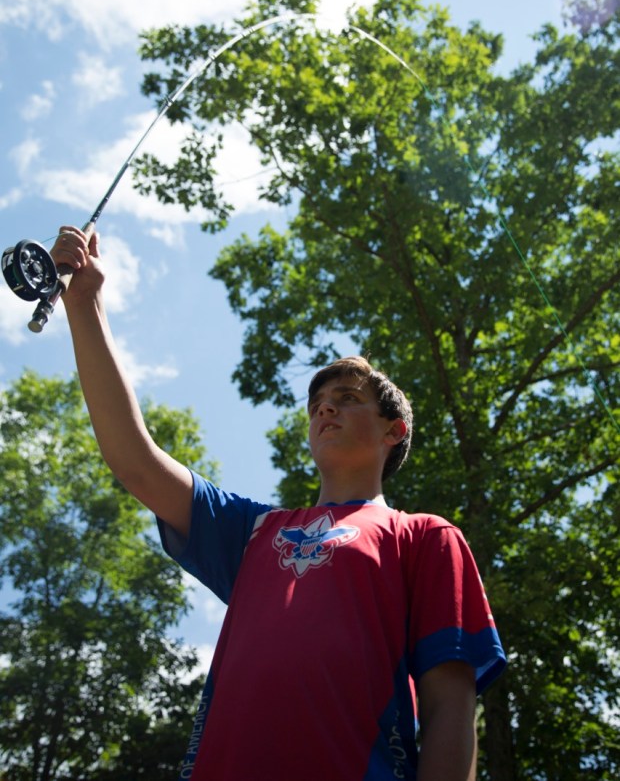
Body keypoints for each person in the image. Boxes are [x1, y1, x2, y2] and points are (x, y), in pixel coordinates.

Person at [52, 225, 506, 781]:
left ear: (395, 431)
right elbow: (135, 461)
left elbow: (450, 705)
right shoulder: (253, 529)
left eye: (347, 399)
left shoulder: (426, 537)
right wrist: (85, 303)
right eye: (317, 403)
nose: (325, 410)